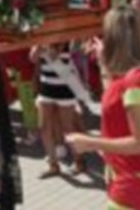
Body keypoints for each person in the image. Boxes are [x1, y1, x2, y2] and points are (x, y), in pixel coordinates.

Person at [66, 5, 140, 210]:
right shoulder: (132, 76)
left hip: (135, 177)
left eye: (106, 33)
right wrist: (103, 64)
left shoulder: (138, 81)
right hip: (127, 172)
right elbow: (115, 100)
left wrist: (90, 143)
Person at [29, 42, 88, 177]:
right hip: (46, 88)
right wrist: (37, 48)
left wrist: (46, 47)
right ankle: (53, 165)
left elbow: (54, 56)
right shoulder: (40, 38)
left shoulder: (65, 39)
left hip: (65, 89)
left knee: (68, 128)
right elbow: (32, 58)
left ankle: (79, 161)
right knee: (44, 126)